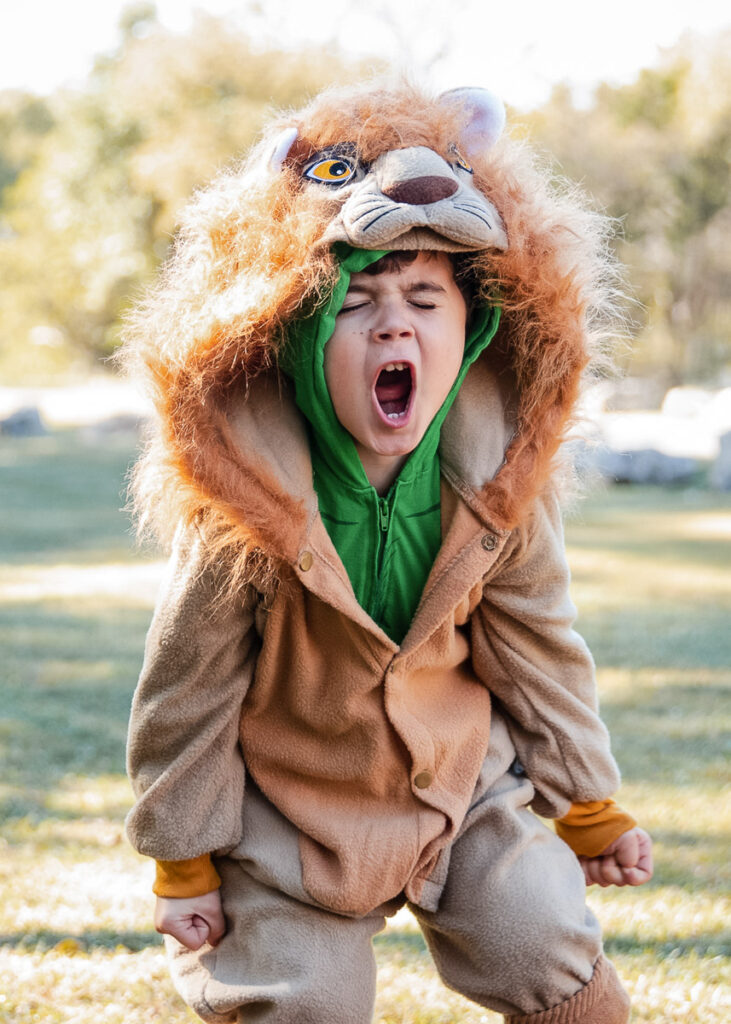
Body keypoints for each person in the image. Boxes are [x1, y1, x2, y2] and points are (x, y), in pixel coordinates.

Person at [124, 82, 653, 1024]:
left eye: (423, 300)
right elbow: (186, 688)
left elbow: (538, 647)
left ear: (471, 327)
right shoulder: (244, 498)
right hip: (291, 818)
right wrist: (183, 861)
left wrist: (588, 806)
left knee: (540, 940)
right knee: (302, 1001)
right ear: (298, 335)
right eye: (356, 304)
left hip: (463, 797)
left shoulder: (497, 477)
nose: (394, 325)